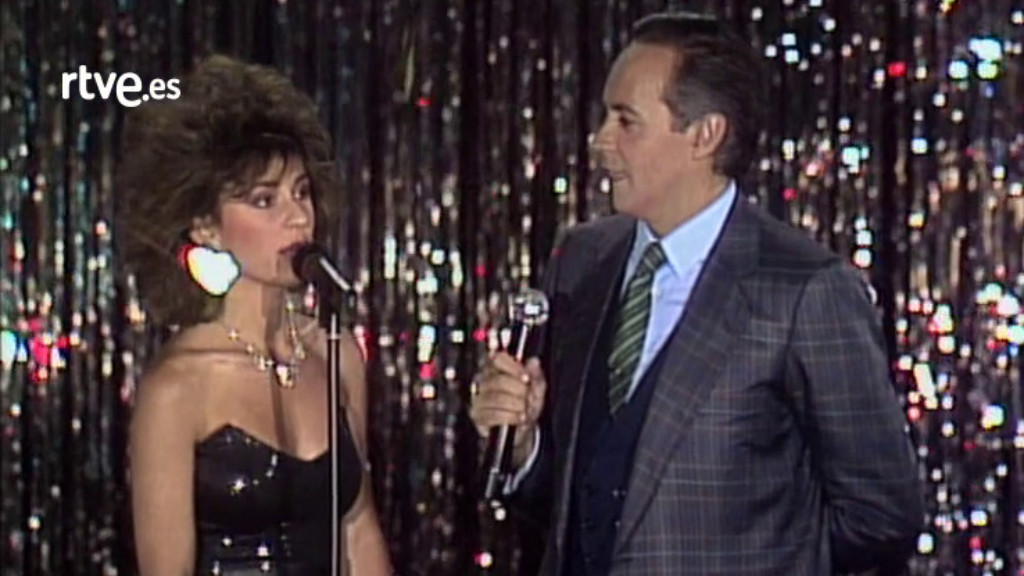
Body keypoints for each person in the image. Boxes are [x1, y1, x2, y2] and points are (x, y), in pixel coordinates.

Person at [469, 12, 923, 576]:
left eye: (625, 121)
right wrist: (524, 449)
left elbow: (882, 517)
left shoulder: (803, 291)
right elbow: (576, 502)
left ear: (705, 135)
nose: (600, 141)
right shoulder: (582, 259)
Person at [117, 54, 391, 576]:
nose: (298, 216)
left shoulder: (335, 353)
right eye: (265, 200)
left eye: (302, 192)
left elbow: (358, 531)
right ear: (206, 227)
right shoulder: (177, 386)